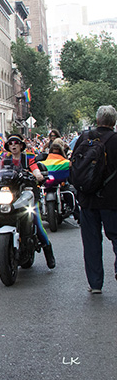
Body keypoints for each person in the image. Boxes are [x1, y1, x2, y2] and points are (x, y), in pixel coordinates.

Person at [0, 133, 55, 270]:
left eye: (16, 143)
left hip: (25, 194)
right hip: (8, 195)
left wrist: (38, 175)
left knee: (37, 221)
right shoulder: (4, 159)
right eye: (11, 143)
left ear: (21, 145)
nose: (13, 145)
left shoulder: (28, 158)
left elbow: (35, 169)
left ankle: (49, 253)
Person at [72, 105, 117, 294]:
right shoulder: (115, 140)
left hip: (88, 199)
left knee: (91, 242)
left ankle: (95, 283)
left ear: (97, 120)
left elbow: (73, 164)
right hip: (112, 200)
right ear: (113, 122)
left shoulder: (85, 138)